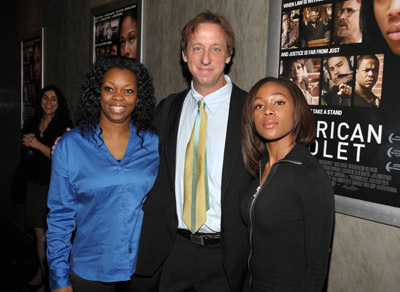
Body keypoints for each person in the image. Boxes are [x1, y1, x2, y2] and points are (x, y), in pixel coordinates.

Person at [134, 11, 253, 292]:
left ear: (228, 56)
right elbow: (134, 152)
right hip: (173, 251)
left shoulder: (251, 110)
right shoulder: (167, 109)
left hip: (228, 258)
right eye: (197, 48)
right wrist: (87, 143)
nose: (206, 58)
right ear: (185, 54)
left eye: (216, 49)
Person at [46, 56, 159, 291]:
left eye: (128, 90)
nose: (118, 97)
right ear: (98, 94)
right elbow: (60, 216)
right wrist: (58, 278)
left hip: (145, 271)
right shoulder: (70, 145)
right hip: (91, 272)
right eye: (109, 89)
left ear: (138, 98)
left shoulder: (155, 145)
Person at [240, 77, 335, 292]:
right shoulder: (259, 168)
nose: (268, 111)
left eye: (279, 102)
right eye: (259, 105)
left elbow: (317, 267)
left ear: (297, 111)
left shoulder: (309, 174)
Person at [22, 85, 72, 292]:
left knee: (52, 235)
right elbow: (25, 149)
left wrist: (38, 146)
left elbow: (64, 159)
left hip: (54, 185)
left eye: (53, 98)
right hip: (34, 183)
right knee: (38, 232)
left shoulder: (65, 126)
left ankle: (50, 279)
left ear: (59, 103)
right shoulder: (32, 121)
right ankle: (43, 272)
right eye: (45, 98)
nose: (48, 102)